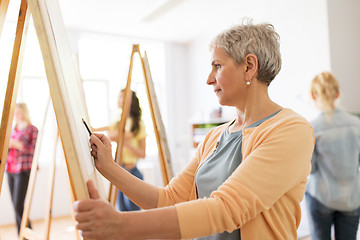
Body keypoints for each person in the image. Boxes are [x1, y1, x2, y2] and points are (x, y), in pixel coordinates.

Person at [74, 20, 315, 240]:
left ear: (249, 66)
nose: (209, 79)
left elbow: (227, 208)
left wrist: (119, 225)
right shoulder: (215, 136)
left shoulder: (291, 130)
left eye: (217, 66)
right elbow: (168, 200)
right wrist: (108, 167)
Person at [305, 72, 360, 240]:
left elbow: (311, 168)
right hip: (351, 198)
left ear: (313, 95)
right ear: (337, 93)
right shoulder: (356, 124)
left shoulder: (313, 128)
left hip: (322, 198)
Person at [94, 89, 146, 211]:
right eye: (119, 97)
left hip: (132, 172)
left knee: (133, 213)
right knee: (121, 212)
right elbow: (109, 132)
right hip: (119, 170)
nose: (119, 100)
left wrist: (124, 141)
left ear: (130, 101)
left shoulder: (138, 124)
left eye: (122, 97)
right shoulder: (118, 121)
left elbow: (142, 154)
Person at [6, 103, 38, 234]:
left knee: (19, 205)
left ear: (25, 112)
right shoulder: (13, 129)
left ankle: (27, 232)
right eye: (15, 112)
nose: (17, 115)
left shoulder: (32, 129)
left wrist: (15, 144)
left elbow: (32, 149)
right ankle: (21, 234)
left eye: (19, 112)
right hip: (10, 169)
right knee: (15, 206)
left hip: (23, 170)